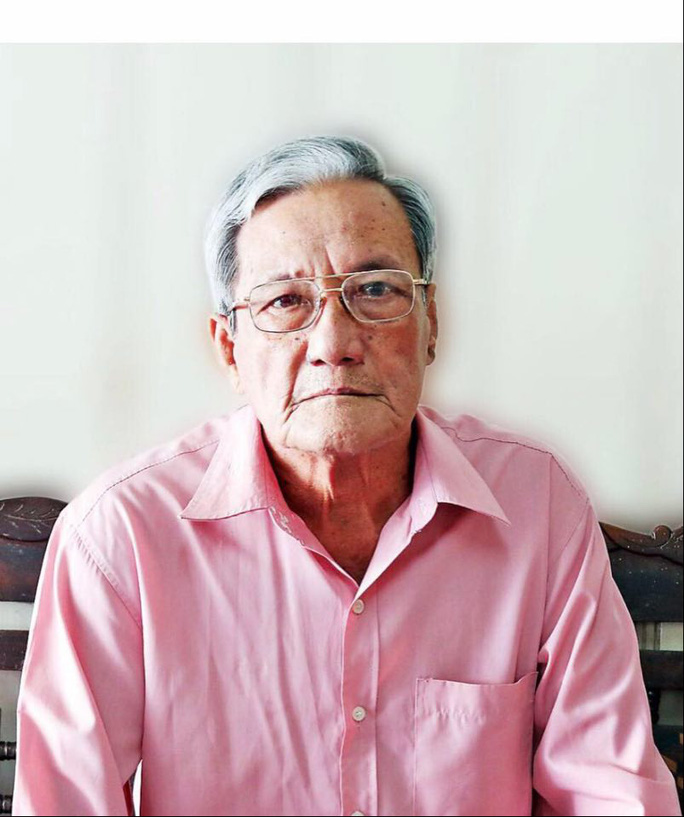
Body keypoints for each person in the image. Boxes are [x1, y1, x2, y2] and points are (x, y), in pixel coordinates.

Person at [12, 136, 680, 817]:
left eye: (376, 290)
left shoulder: (536, 503)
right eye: (285, 302)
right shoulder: (120, 536)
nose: (334, 344)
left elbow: (611, 790)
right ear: (230, 349)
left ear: (430, 324)